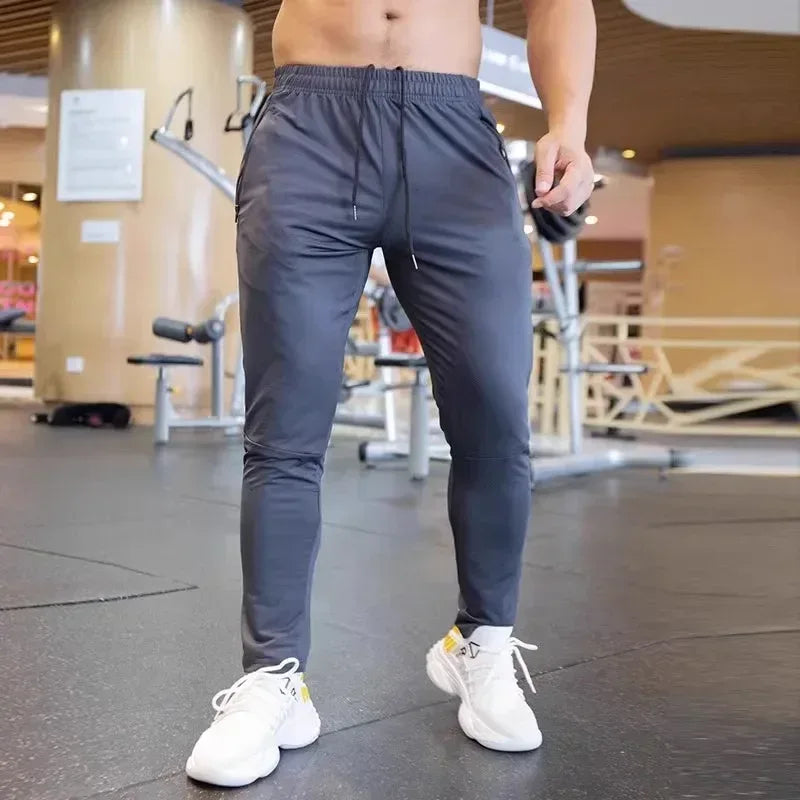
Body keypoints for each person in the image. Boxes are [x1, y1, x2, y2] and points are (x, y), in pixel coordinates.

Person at [186, 0, 596, 786]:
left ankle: (481, 642)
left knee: (496, 419)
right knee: (286, 426)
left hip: (453, 132)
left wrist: (568, 124)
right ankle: (275, 676)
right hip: (310, 125)